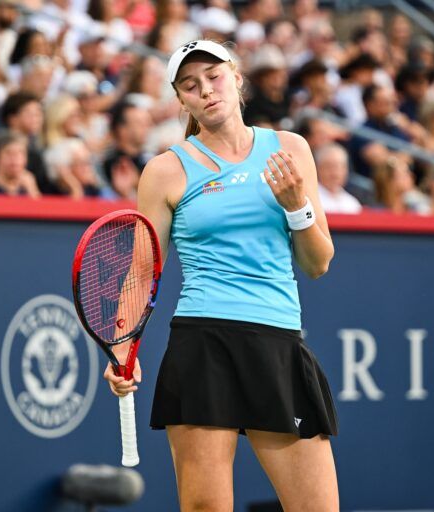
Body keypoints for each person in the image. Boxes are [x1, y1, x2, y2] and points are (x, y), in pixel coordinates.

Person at [104, 40, 338, 511]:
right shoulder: (165, 171)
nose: (206, 91)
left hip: (278, 341)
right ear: (181, 100)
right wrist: (122, 348)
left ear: (236, 77)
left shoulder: (291, 149)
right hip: (203, 344)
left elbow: (317, 263)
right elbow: (143, 271)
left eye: (213, 77)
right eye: (191, 86)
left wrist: (296, 207)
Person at [0, 130, 41, 198]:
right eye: (9, 153)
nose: (15, 158)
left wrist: (32, 191)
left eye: (20, 153)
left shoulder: (27, 191)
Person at [315, 143, 361, 213]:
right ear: (318, 168)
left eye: (340, 167)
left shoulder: (352, 203)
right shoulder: (310, 199)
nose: (335, 173)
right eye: (329, 167)